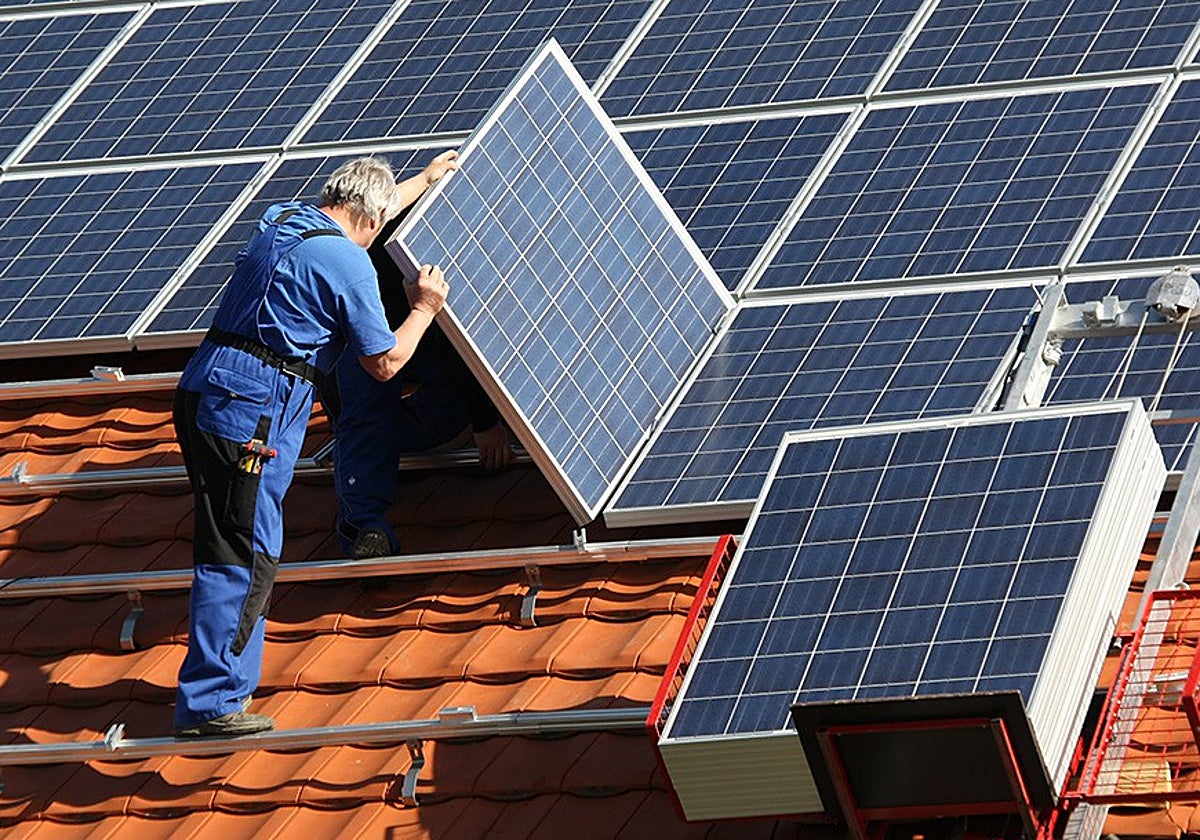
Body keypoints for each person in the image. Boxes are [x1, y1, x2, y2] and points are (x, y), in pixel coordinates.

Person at [172, 152, 458, 738]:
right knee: (244, 549)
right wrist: (425, 308)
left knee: (226, 535)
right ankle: (212, 703)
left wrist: (423, 181)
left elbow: (363, 211)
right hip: (254, 408)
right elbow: (384, 362)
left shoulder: (283, 221)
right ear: (372, 222)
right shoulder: (350, 263)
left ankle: (213, 688)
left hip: (205, 388)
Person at [331, 211, 516, 560]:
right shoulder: (365, 258)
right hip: (371, 335)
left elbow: (457, 335)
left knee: (445, 407)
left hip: (429, 330)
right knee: (363, 410)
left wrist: (485, 416)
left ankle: (384, 441)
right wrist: (485, 424)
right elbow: (448, 342)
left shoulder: (467, 231)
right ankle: (366, 526)